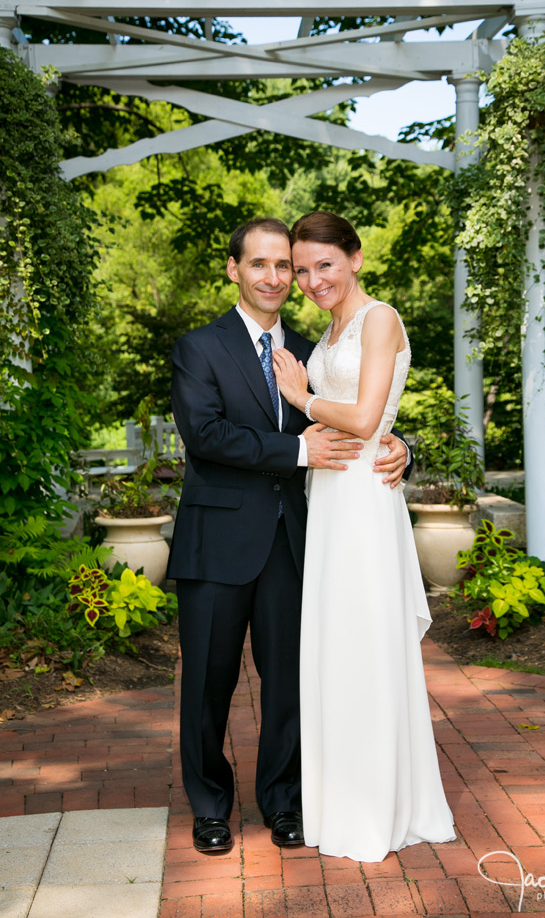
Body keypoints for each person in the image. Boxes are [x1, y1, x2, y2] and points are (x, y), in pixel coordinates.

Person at [167, 217, 410, 855]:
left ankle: (283, 802)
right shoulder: (200, 347)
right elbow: (206, 436)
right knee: (207, 684)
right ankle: (211, 806)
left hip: (302, 538)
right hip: (218, 538)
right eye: (263, 265)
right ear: (234, 270)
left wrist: (399, 444)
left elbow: (367, 411)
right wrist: (296, 453)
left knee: (291, 682)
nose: (278, 278)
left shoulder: (316, 342)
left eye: (288, 267)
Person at [273, 211, 455, 862]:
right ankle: (338, 801)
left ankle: (379, 808)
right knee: (334, 646)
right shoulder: (328, 330)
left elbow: (369, 416)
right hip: (328, 500)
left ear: (354, 257)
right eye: (301, 269)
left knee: (368, 646)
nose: (312, 279)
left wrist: (303, 400)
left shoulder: (380, 318)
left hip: (365, 506)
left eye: (324, 264)